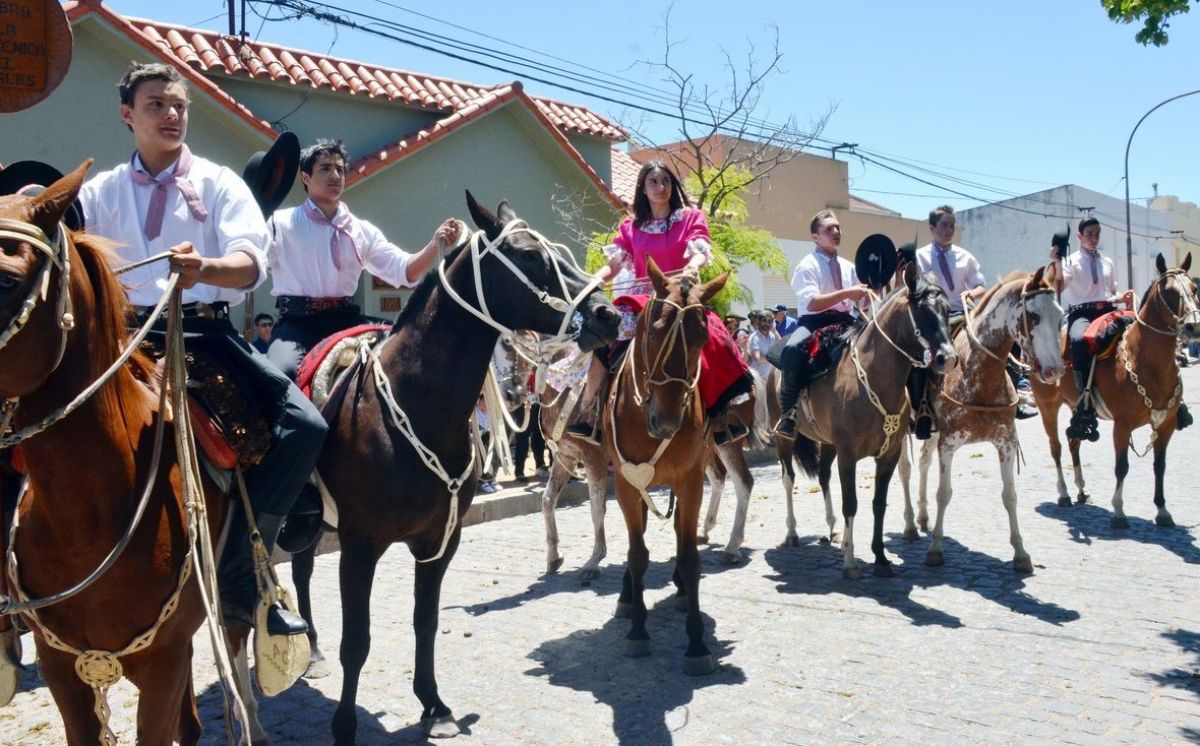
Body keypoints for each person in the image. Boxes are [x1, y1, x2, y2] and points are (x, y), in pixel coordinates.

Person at [78, 62, 323, 633]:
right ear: (127, 115)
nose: (171, 114)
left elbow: (250, 263)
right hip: (120, 338)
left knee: (304, 426)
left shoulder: (219, 182)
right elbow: (61, 234)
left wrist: (204, 269)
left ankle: (244, 568)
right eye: (156, 105)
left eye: (179, 106)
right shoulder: (100, 190)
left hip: (205, 336)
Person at [566, 161, 754, 445]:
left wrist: (692, 267)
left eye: (665, 181)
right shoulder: (631, 226)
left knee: (714, 337)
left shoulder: (690, 217)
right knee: (606, 336)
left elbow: (700, 251)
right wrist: (594, 280)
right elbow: (615, 264)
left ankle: (720, 414)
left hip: (683, 298)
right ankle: (589, 410)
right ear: (643, 188)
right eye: (653, 182)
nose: (660, 187)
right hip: (643, 299)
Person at [265, 139, 460, 381]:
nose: (335, 175)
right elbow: (252, 264)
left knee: (406, 351)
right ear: (305, 177)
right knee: (279, 374)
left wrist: (434, 244)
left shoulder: (361, 229)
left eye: (339, 169)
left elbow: (404, 270)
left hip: (345, 319)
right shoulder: (280, 223)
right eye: (325, 168)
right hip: (297, 324)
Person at [775, 210, 871, 437]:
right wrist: (847, 292)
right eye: (829, 229)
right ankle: (789, 413)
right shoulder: (807, 265)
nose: (836, 232)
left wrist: (881, 282)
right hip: (814, 322)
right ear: (815, 237)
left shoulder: (849, 266)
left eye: (838, 227)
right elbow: (812, 303)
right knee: (792, 349)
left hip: (846, 321)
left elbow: (864, 303)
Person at [1046, 217, 1138, 441]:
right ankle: (1084, 400)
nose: (1094, 238)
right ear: (1079, 236)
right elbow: (1058, 286)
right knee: (1079, 341)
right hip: (1083, 314)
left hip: (1109, 310)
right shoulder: (1070, 262)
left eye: (1097, 233)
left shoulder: (1107, 261)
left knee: (1143, 329)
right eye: (1089, 234)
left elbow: (1110, 292)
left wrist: (1122, 298)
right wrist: (1056, 261)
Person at [909, 205, 990, 436]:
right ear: (932, 228)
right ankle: (922, 410)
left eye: (952, 225)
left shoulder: (966, 257)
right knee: (919, 357)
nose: (949, 230)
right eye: (944, 225)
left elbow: (980, 285)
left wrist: (971, 293)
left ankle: (1011, 396)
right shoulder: (919, 257)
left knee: (993, 343)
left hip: (962, 312)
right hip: (934, 318)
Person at [747, 309, 779, 381]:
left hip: (770, 380)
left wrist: (775, 332)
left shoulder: (772, 336)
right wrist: (773, 358)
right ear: (759, 322)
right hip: (757, 380)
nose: (766, 324)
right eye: (764, 320)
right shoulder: (754, 337)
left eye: (769, 321)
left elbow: (781, 346)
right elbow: (758, 359)